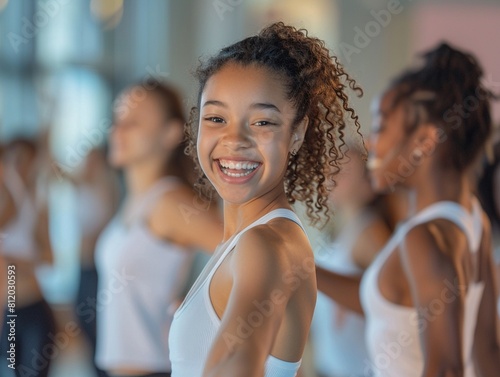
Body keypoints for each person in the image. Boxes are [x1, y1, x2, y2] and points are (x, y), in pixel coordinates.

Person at [168, 22, 363, 377]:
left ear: (297, 133)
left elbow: (236, 363)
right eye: (216, 118)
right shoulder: (247, 242)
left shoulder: (266, 244)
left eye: (262, 122)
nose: (235, 139)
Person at [316, 43, 500, 376]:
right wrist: (304, 270)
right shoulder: (472, 219)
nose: (371, 144)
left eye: (380, 126)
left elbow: (446, 369)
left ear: (425, 141)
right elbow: (487, 349)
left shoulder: (423, 237)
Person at [94, 80, 223, 377]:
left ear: (170, 133)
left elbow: (251, 255)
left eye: (134, 122)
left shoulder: (171, 203)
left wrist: (202, 308)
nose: (118, 131)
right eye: (117, 121)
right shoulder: (136, 201)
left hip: (155, 368)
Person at [312, 146, 404, 377]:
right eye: (332, 166)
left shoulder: (369, 229)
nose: (332, 173)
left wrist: (350, 294)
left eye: (344, 170)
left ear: (366, 186)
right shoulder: (338, 233)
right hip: (331, 367)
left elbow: (394, 297)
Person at [0, 138, 56, 377]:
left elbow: (50, 260)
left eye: (26, 160)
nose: (18, 167)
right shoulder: (6, 200)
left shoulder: (38, 205)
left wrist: (16, 262)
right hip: (7, 311)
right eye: (14, 160)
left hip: (32, 307)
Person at [72, 148, 118, 377]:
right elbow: (57, 173)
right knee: (83, 320)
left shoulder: (106, 185)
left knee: (96, 324)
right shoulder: (82, 185)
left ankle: (104, 372)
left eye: (93, 159)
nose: (87, 163)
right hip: (83, 267)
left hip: (97, 269)